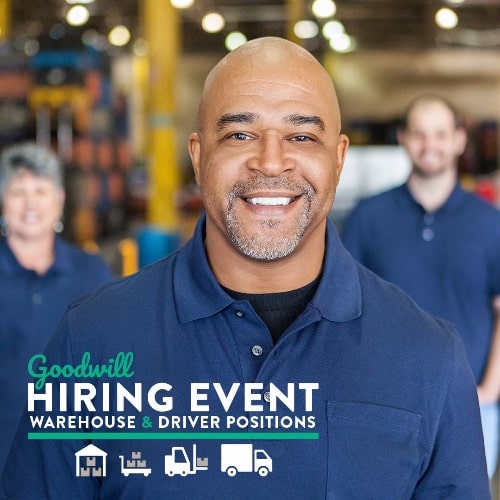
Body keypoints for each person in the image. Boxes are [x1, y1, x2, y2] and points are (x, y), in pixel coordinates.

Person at [0, 39, 490, 499]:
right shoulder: (91, 341)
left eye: (301, 134)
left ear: (338, 159)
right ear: (198, 155)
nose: (271, 162)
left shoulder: (429, 360)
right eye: (239, 133)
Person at [341, 95, 500, 479]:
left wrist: (489, 391)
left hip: (471, 404)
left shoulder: (489, 222)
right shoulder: (369, 217)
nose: (430, 145)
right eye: (419, 134)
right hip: (384, 402)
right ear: (403, 139)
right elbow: (343, 309)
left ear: (460, 140)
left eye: (441, 134)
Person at [0, 142, 114, 474]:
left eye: (41, 189)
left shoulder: (92, 273)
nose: (30, 203)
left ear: (60, 199)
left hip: (71, 460)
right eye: (18, 192)